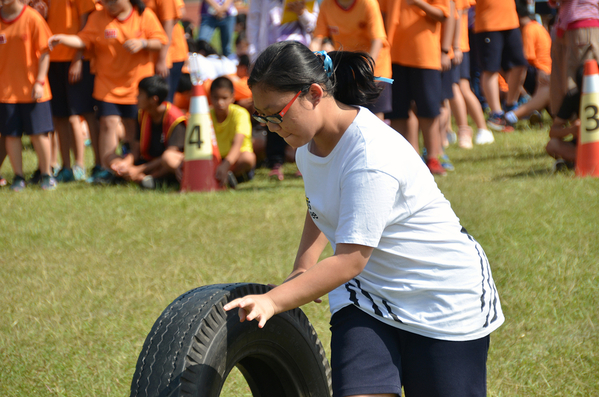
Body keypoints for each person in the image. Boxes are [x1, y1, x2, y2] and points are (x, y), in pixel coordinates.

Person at [224, 41, 504, 397]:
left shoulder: (371, 155)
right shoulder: (308, 149)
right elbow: (324, 206)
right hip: (366, 296)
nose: (270, 127)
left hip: (441, 297)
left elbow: (350, 260)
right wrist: (303, 264)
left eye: (276, 114)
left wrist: (274, 300)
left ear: (312, 93)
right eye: (260, 117)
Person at [48, 0, 168, 184]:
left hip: (136, 86)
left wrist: (143, 43)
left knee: (133, 128)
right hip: (107, 84)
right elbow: (83, 39)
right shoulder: (98, 18)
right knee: (107, 124)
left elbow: (161, 40)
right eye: (105, 1)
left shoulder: (144, 15)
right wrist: (63, 39)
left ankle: (132, 164)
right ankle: (107, 169)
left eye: (112, 1)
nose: (108, 5)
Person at [247, 0, 319, 180]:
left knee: (301, 108)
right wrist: (254, 57)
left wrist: (302, 12)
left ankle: (305, 159)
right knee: (273, 110)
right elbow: (253, 22)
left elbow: (315, 27)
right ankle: (275, 161)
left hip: (298, 59)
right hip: (269, 60)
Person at [385, 0, 450, 176]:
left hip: (425, 55)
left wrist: (418, 3)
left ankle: (433, 158)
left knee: (428, 109)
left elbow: (444, 14)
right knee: (397, 111)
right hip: (394, 56)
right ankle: (402, 160)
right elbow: (383, 13)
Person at [0, 0, 57, 191]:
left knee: (39, 133)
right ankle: (18, 176)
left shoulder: (33, 18)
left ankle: (46, 174)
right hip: (6, 91)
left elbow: (45, 52)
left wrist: (40, 82)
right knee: (11, 135)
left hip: (33, 90)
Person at [310, 0, 392, 120]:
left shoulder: (368, 3)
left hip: (373, 72)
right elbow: (318, 39)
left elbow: (377, 40)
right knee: (347, 120)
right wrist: (309, 63)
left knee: (374, 120)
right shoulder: (326, 5)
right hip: (346, 72)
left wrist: (365, 70)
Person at [45, 0, 96, 183]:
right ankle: (65, 166)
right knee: (59, 116)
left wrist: (78, 58)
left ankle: (79, 165)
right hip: (52, 58)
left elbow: (86, 24)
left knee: (76, 114)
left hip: (74, 58)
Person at [110, 75, 186, 188]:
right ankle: (142, 178)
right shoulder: (142, 114)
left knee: (167, 159)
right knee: (111, 158)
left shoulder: (175, 119)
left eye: (140, 94)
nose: (137, 98)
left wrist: (138, 169)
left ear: (153, 100)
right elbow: (136, 150)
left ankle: (150, 179)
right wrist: (125, 164)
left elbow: (170, 155)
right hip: (148, 162)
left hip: (166, 165)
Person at [474, 0, 529, 132]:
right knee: (490, 69)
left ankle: (510, 106)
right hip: (488, 23)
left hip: (511, 20)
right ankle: (496, 114)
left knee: (519, 64)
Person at [505, 0, 552, 127]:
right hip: (548, 72)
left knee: (512, 71)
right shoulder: (537, 26)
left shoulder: (528, 30)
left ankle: (523, 103)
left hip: (540, 73)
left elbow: (525, 60)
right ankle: (532, 108)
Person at [209, 76, 256, 187]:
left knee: (248, 158)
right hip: (214, 158)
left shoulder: (240, 113)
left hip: (235, 160)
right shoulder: (206, 115)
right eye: (216, 98)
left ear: (232, 98)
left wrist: (225, 165)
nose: (220, 102)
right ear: (210, 97)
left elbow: (237, 143)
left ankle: (226, 174)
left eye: (224, 98)